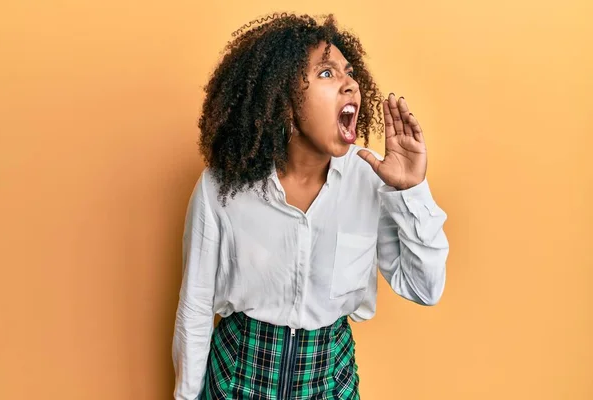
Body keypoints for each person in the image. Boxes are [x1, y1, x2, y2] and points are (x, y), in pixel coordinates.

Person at [172, 12, 449, 400]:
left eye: (349, 73)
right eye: (326, 73)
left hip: (329, 385)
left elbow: (425, 288)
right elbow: (195, 308)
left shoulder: (370, 178)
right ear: (283, 102)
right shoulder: (221, 187)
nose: (350, 84)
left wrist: (411, 191)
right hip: (235, 381)